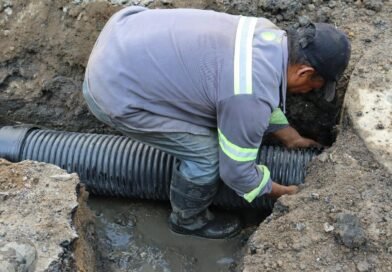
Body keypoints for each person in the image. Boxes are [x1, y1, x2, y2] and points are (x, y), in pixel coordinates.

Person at [83, 6, 351, 239]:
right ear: (305, 72)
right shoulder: (248, 95)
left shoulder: (267, 34)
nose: (311, 91)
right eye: (315, 86)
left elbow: (254, 94)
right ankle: (188, 221)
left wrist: (290, 137)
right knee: (208, 156)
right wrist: (281, 192)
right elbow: (235, 173)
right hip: (111, 90)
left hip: (123, 32)